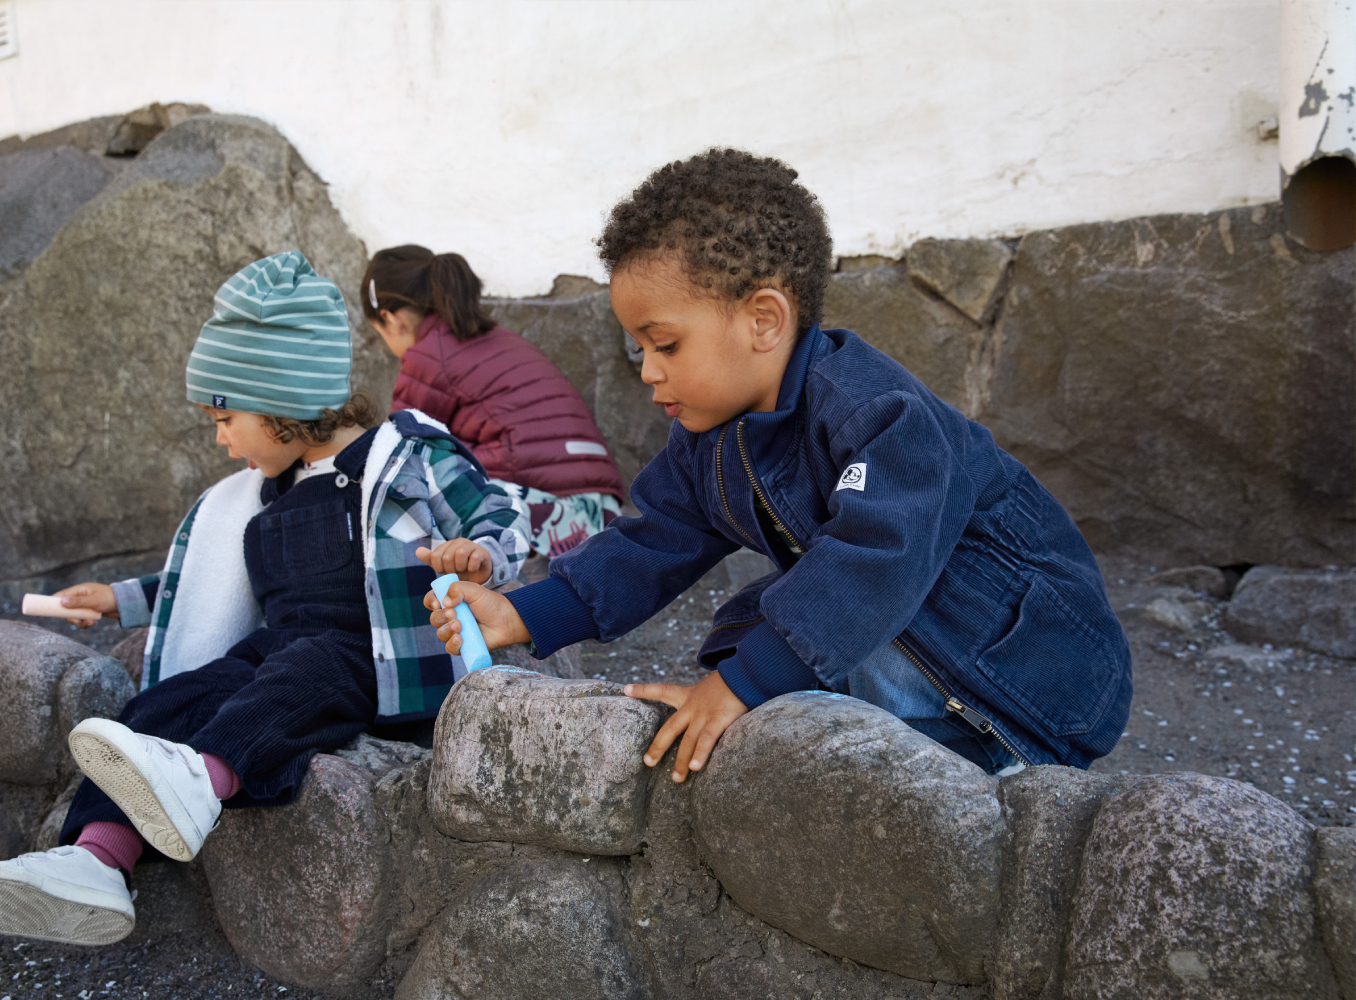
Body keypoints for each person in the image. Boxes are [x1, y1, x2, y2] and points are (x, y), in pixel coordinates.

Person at [428, 149, 1132, 783]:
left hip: (1024, 680)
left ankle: (957, 765)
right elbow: (653, 541)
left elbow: (879, 554)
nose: (647, 371)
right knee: (756, 638)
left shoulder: (877, 411)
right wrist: (518, 614)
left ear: (763, 321)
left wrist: (743, 685)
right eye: (639, 348)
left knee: (809, 616)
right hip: (918, 662)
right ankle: (835, 742)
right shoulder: (710, 441)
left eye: (665, 344)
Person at [0, 252, 527, 946]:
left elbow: (498, 511)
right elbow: (202, 581)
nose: (222, 443)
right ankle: (95, 859)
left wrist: (480, 555)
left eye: (225, 418)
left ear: (282, 398)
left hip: (376, 656)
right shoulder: (266, 494)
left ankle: (203, 777)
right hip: (288, 648)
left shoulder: (403, 455)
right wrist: (118, 599)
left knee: (297, 671)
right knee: (170, 701)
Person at [363, 245, 624, 559]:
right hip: (601, 507)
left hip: (541, 508)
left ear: (392, 320)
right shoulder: (496, 337)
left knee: (411, 490)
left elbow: (401, 452)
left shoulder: (430, 354)